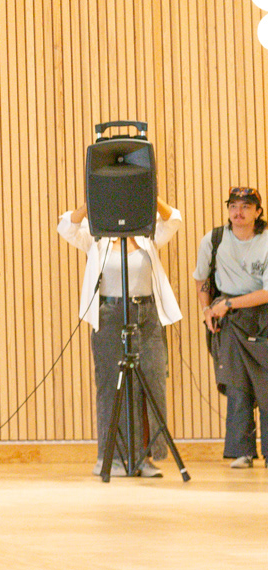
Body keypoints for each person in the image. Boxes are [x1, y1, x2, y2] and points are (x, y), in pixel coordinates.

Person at [58, 197, 181, 476]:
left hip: (147, 315)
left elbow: (173, 220)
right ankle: (112, 458)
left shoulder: (147, 232)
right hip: (110, 314)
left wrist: (149, 193)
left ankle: (143, 458)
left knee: (151, 383)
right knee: (111, 385)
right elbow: (66, 227)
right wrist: (93, 199)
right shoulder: (96, 236)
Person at [195, 186, 268, 466]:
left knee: (266, 385)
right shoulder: (214, 239)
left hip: (262, 317)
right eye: (233, 206)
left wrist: (228, 304)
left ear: (258, 212)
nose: (238, 212)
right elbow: (202, 278)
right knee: (237, 385)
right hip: (229, 320)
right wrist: (206, 309)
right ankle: (241, 451)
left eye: (246, 206)